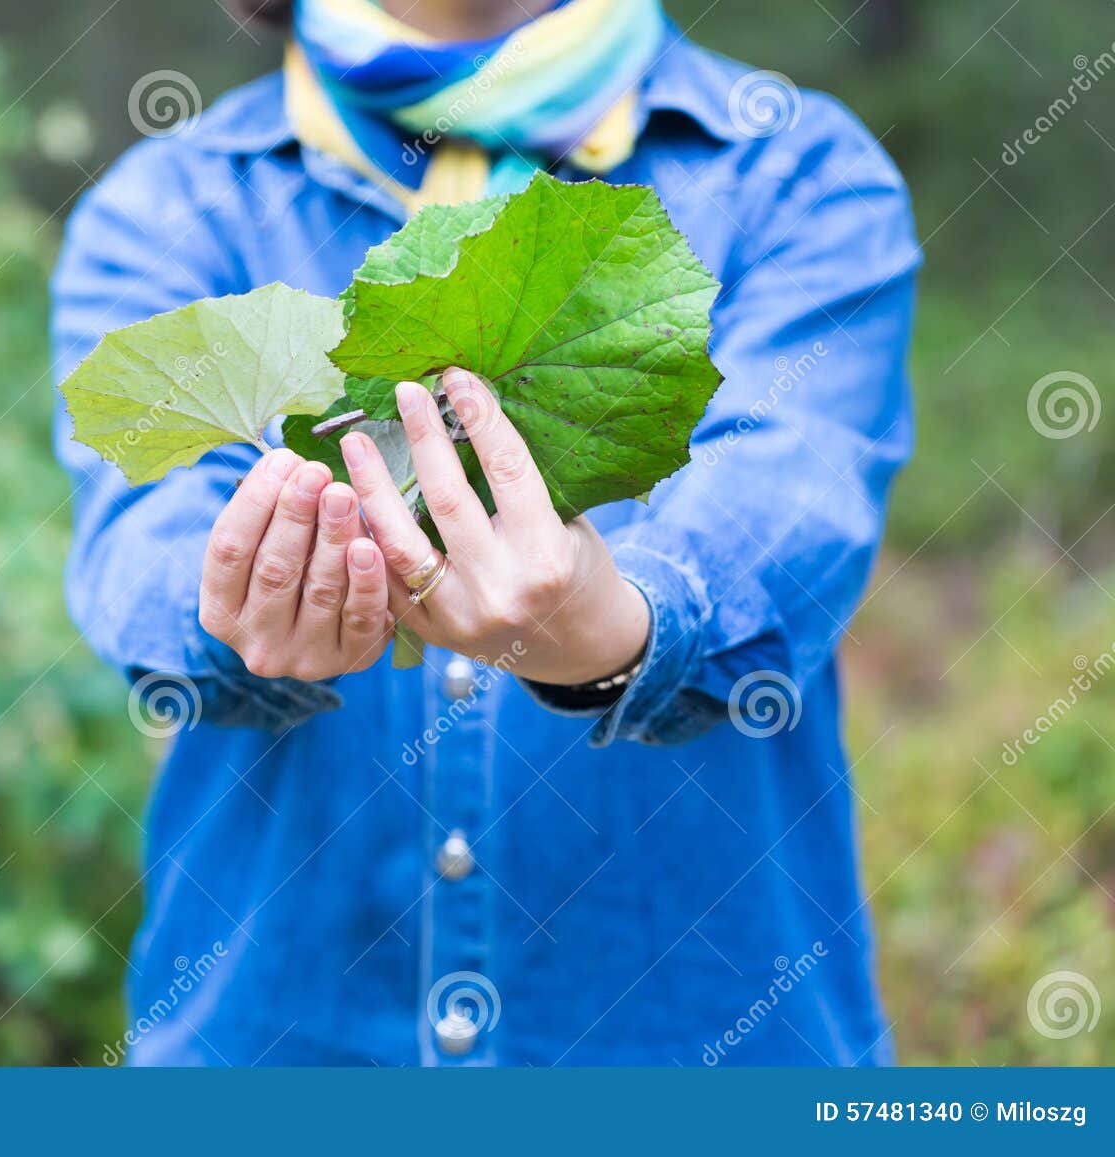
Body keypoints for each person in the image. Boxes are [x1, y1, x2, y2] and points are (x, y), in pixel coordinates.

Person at [51, 0, 920, 1066]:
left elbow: (789, 510)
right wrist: (232, 611)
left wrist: (618, 628)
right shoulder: (166, 204)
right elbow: (141, 557)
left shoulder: (792, 171)